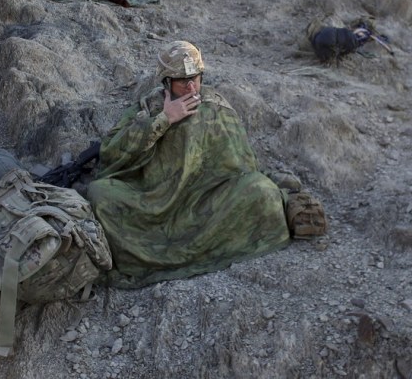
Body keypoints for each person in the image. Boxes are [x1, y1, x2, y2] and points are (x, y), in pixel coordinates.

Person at [87, 41, 327, 288]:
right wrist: (164, 119)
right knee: (99, 194)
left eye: (196, 78)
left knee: (262, 191)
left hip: (209, 202)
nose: (191, 86)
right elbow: (113, 152)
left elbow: (242, 164)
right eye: (183, 81)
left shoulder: (216, 106)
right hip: (155, 203)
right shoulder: (150, 108)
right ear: (166, 82)